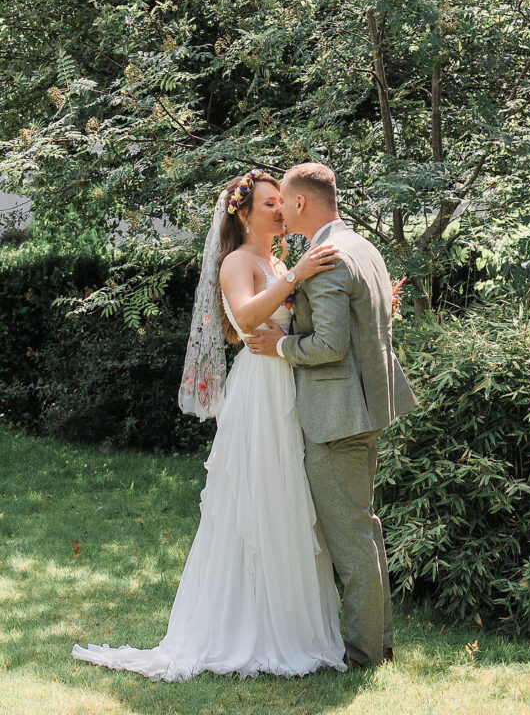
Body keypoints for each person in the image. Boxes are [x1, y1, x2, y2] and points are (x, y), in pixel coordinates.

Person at [71, 171, 348, 681]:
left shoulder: (277, 262)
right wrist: (296, 275)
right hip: (259, 391)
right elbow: (246, 317)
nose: (281, 211)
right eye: (270, 204)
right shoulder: (237, 262)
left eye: (281, 203)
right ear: (243, 213)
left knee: (289, 499)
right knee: (257, 496)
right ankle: (243, 626)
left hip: (289, 382)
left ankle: (291, 624)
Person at [246, 162, 418, 668]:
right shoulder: (362, 246)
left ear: (301, 202)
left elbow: (329, 345)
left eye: (284, 201)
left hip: (338, 417)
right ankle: (379, 640)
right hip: (367, 407)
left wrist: (281, 345)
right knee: (363, 528)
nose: (282, 210)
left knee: (351, 539)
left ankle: (365, 653)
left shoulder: (327, 258)